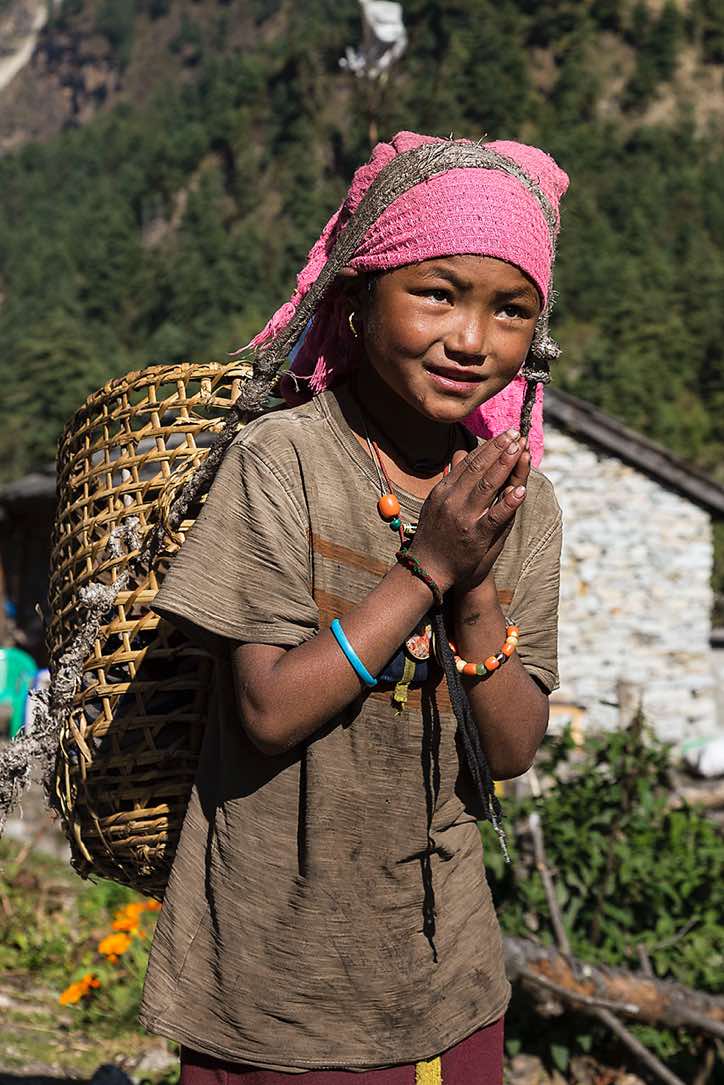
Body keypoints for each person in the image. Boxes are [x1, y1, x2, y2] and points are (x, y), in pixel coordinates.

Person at [139, 131, 568, 1083]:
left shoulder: (522, 504)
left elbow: (508, 749)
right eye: (437, 293)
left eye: (511, 312)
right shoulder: (284, 462)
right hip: (270, 980)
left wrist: (478, 576)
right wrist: (428, 568)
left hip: (442, 977)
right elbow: (266, 711)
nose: (472, 339)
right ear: (355, 299)